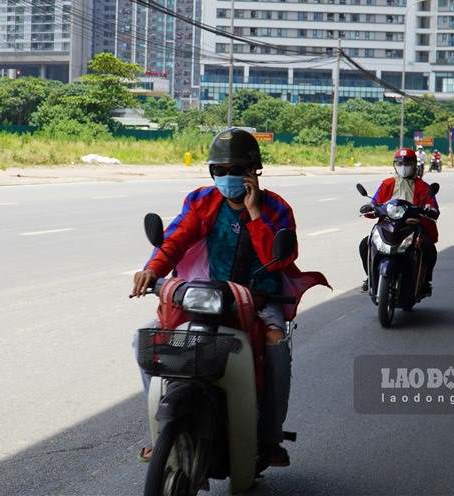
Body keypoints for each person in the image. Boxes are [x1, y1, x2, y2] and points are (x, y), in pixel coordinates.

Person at [131, 128, 327, 467]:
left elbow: (281, 259)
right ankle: (161, 434)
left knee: (276, 342)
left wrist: (253, 214)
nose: (226, 177)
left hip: (261, 300)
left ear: (253, 171)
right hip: (209, 296)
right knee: (146, 341)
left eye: (234, 169)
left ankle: (269, 437)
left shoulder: (277, 209)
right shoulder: (202, 201)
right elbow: (175, 238)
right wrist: (152, 269)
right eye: (218, 170)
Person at [358, 148, 440, 294]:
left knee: (429, 248)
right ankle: (369, 277)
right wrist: (370, 207)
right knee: (365, 244)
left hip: (413, 226)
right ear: (394, 165)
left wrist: (430, 209)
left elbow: (432, 205)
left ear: (414, 165)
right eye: (400, 163)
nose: (403, 166)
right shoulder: (387, 184)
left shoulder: (423, 187)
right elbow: (375, 202)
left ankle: (426, 281)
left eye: (407, 163)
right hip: (388, 225)